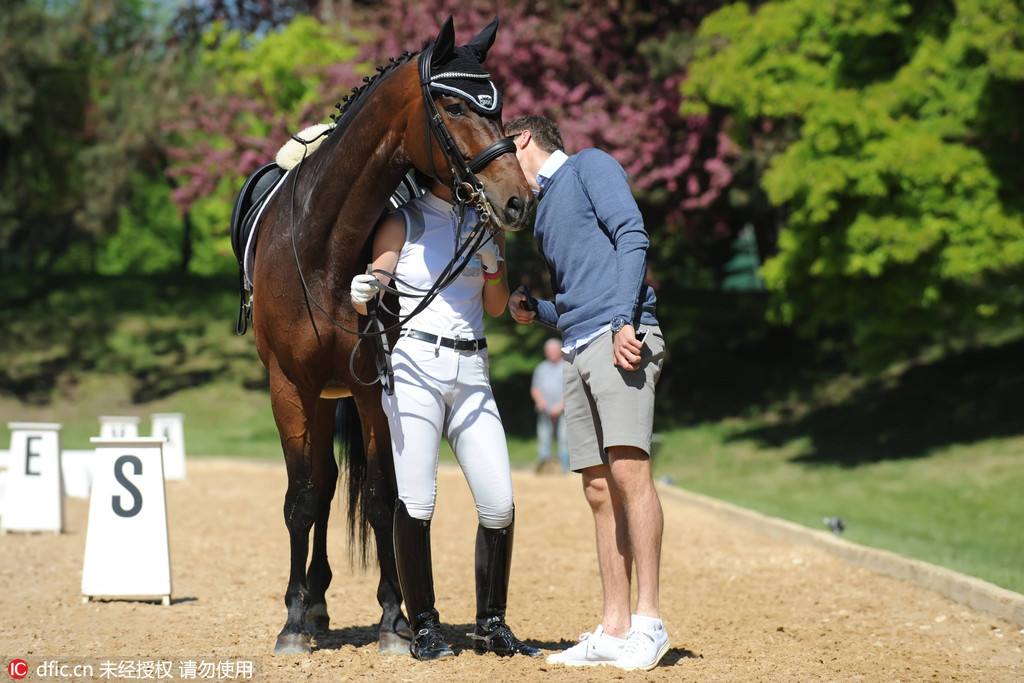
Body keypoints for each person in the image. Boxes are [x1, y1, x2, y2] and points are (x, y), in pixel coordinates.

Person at [504, 115, 669, 671]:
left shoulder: (588, 165)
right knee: (598, 490)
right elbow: (577, 298)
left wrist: (626, 320)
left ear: (523, 137)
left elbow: (632, 235)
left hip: (620, 337)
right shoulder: (542, 211)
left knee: (629, 472)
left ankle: (650, 623)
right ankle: (615, 626)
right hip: (577, 346)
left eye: (504, 147)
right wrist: (538, 312)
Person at [350, 177, 540, 661]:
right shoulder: (404, 219)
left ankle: (491, 624)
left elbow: (494, 306)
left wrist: (495, 271)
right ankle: (426, 626)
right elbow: (380, 278)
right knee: (417, 500)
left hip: (473, 369)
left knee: (499, 503)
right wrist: (365, 288)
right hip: (418, 367)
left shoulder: (487, 221)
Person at [531, 338, 569, 472]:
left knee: (564, 439)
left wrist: (559, 406)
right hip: (544, 410)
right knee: (543, 438)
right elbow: (535, 389)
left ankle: (565, 468)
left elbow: (571, 388)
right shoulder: (541, 368)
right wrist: (541, 402)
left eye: (554, 350)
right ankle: (544, 467)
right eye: (549, 350)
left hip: (564, 411)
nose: (551, 353)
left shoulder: (567, 366)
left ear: (560, 351)